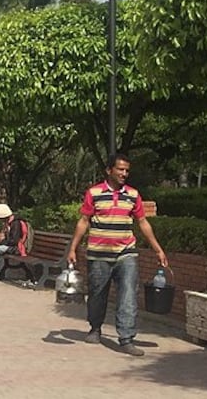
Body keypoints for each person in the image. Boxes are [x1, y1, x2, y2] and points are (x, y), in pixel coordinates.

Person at [66, 153, 168, 357]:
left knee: (129, 294)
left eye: (127, 170)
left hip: (126, 253)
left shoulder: (132, 195)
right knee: (97, 293)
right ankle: (95, 328)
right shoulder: (94, 193)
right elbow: (84, 221)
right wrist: (73, 248)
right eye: (120, 169)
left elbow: (143, 223)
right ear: (109, 170)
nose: (124, 174)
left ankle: (126, 338)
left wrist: (158, 249)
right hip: (99, 254)